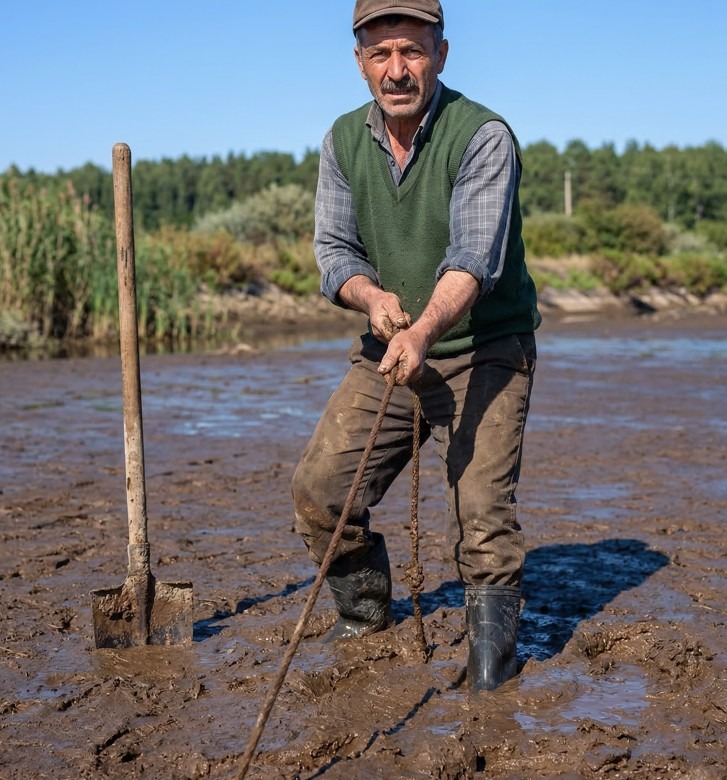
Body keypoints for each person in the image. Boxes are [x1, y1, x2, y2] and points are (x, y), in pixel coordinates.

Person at [292, 0, 541, 692]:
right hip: (391, 344)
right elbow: (333, 252)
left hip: (483, 346)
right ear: (359, 62)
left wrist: (425, 329)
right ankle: (368, 612)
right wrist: (371, 300)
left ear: (441, 53)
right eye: (380, 54)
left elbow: (473, 259)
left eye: (412, 51)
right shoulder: (342, 141)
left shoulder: (482, 135)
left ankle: (493, 667)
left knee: (482, 519)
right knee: (319, 489)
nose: (396, 70)